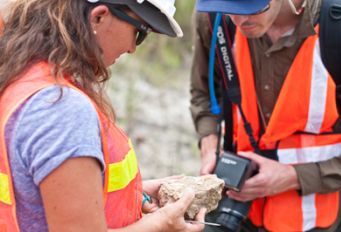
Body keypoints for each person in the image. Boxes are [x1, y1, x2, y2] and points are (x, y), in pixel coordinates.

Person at [0, 0, 206, 231]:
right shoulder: (61, 108)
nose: (132, 48)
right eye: (139, 32)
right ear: (98, 17)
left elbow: (37, 195)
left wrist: (132, 193)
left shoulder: (23, 78)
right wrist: (161, 224)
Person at [190, 0, 341, 231]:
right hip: (233, 209)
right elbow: (204, 94)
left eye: (251, 8)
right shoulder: (214, 17)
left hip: (313, 219)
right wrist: (209, 143)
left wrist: (296, 176)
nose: (238, 20)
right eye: (229, 8)